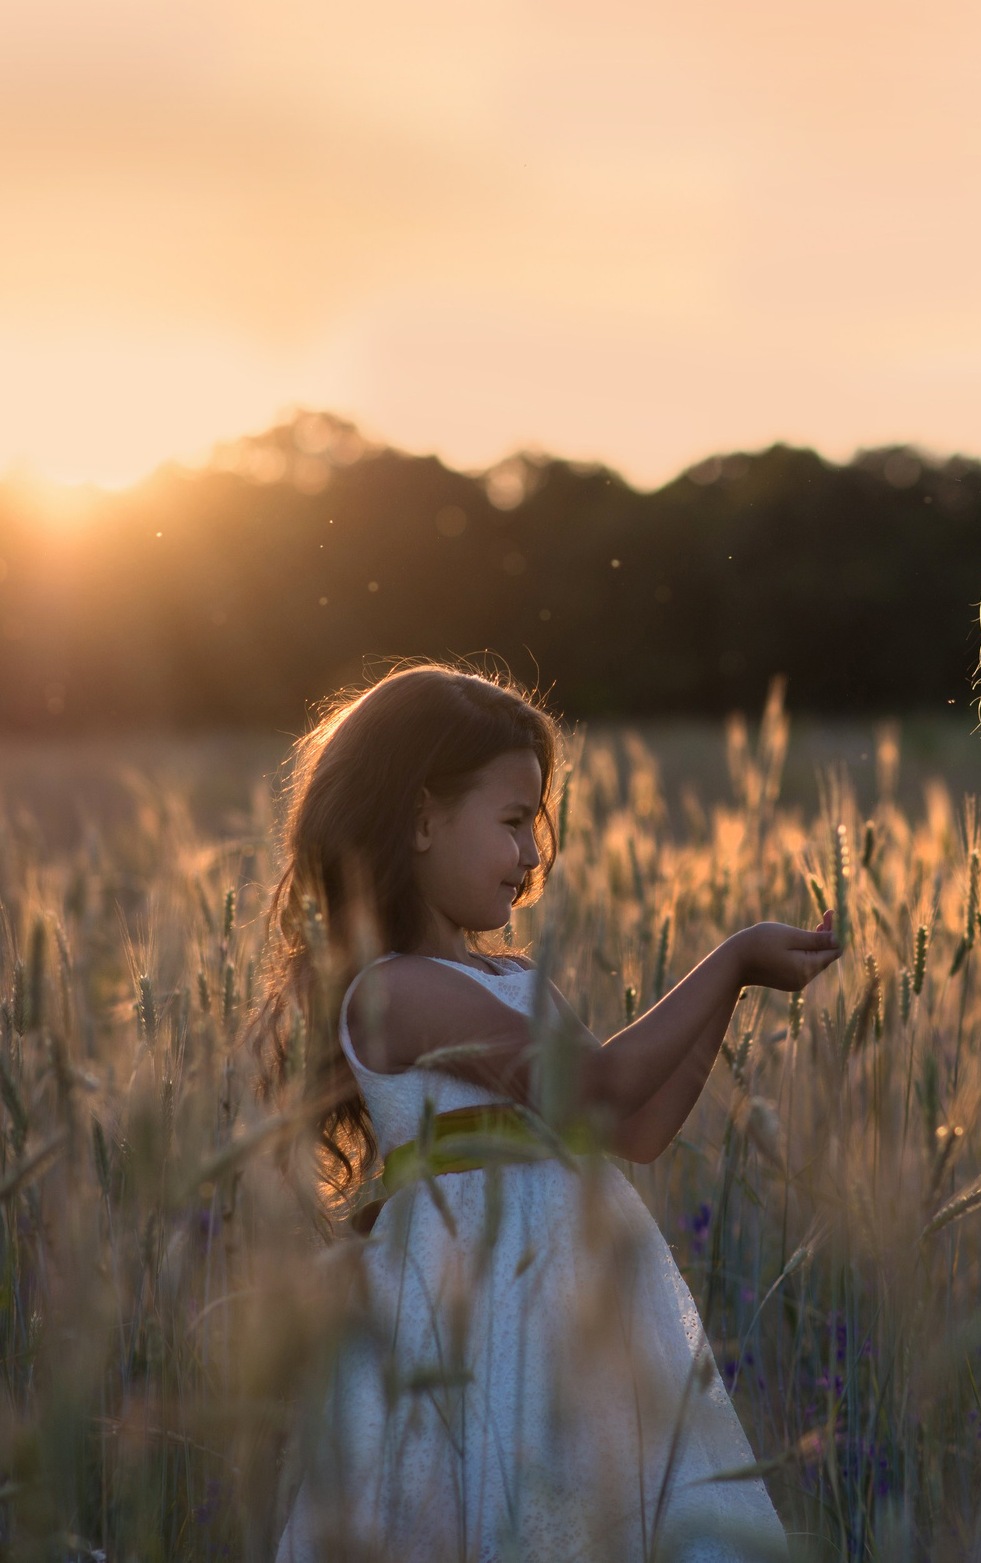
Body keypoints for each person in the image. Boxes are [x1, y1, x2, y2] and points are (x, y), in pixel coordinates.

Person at [263, 664, 839, 1561]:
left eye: (535, 821)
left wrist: (734, 991)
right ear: (419, 818)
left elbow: (632, 1131)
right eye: (511, 821)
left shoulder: (514, 975)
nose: (535, 853)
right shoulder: (394, 991)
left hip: (582, 1294)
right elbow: (599, 1084)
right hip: (474, 1301)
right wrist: (728, 960)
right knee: (495, 1506)